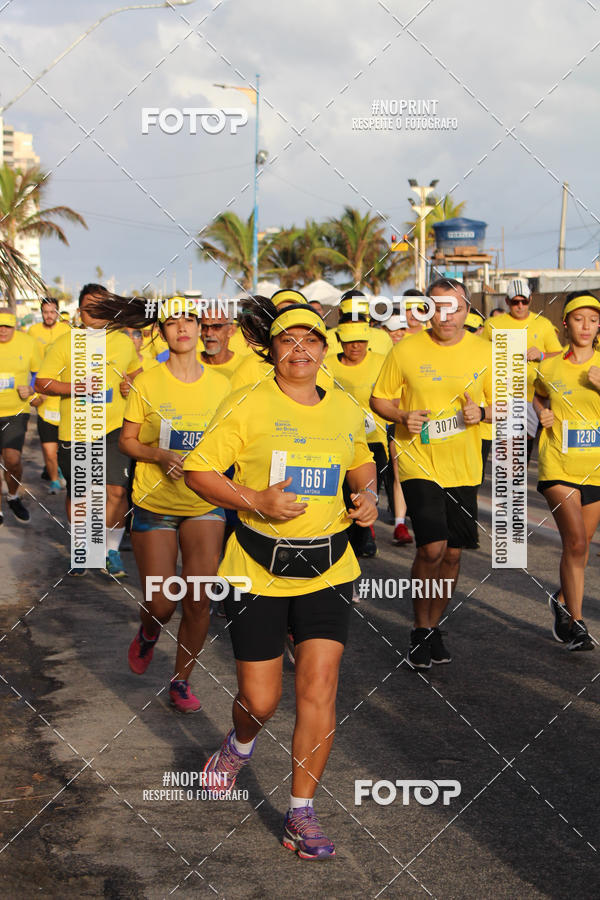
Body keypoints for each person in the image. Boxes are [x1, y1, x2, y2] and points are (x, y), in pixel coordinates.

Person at [184, 300, 377, 860]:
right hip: (256, 569)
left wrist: (366, 493)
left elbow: (360, 456)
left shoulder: (342, 402)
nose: (300, 350)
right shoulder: (245, 402)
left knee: (319, 688)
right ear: (273, 350)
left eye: (310, 340)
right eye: (288, 341)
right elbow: (200, 471)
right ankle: (239, 744)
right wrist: (256, 499)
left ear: (324, 350)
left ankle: (301, 813)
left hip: (330, 568)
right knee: (261, 699)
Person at [88, 294, 232, 707]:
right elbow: (127, 441)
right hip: (155, 501)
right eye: (173, 323)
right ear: (162, 332)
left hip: (205, 503)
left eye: (190, 320)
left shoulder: (222, 386)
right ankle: (150, 630)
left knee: (199, 599)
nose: (183, 328)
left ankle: (181, 680)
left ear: (201, 328)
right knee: (161, 602)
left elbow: (231, 444)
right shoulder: (147, 382)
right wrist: (160, 455)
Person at [371, 278, 492, 669]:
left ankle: (435, 624)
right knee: (432, 548)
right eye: (437, 307)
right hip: (418, 459)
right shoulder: (406, 350)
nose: (446, 315)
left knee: (453, 555)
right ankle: (420, 629)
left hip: (464, 464)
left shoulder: (487, 352)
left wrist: (484, 413)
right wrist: (403, 415)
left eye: (454, 307)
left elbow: (509, 404)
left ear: (467, 310)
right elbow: (379, 398)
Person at [36, 284, 140, 577]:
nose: (94, 312)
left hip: (115, 428)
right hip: (77, 430)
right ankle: (82, 547)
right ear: (80, 312)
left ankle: (109, 551)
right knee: (81, 494)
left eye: (101, 306)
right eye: (89, 307)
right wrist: (75, 388)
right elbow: (41, 382)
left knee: (116, 491)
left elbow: (136, 371)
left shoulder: (122, 341)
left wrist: (130, 380)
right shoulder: (64, 343)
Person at [533, 292, 600, 652]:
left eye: (593, 319)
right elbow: (539, 393)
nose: (586, 326)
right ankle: (577, 623)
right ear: (566, 324)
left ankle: (560, 599)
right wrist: (542, 412)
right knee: (574, 542)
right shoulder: (552, 366)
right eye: (579, 318)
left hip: (597, 470)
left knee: (582, 547)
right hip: (558, 465)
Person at [327, 320, 391, 557]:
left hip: (374, 438)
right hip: (339, 440)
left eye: (361, 342)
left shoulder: (381, 362)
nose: (355, 347)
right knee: (344, 493)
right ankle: (347, 542)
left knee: (369, 492)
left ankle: (364, 536)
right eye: (349, 342)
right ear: (340, 343)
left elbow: (392, 395)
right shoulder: (327, 366)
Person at [482, 278, 562, 465]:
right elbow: (480, 355)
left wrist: (541, 355)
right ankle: (509, 488)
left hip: (531, 396)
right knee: (508, 452)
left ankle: (517, 487)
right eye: (515, 301)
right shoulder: (493, 324)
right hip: (502, 395)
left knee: (523, 452)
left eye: (524, 301)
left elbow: (559, 355)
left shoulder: (542, 324)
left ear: (530, 300)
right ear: (507, 301)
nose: (519, 306)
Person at [0, 307, 42, 524]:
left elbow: (40, 373)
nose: (2, 330)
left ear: (14, 325)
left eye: (7, 325)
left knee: (12, 459)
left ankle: (13, 496)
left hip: (16, 411)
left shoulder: (27, 343)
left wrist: (32, 390)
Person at [28, 298, 71, 492]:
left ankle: (60, 469)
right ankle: (54, 478)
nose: (49, 316)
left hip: (64, 390)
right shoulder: (33, 332)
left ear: (58, 312)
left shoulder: (67, 331)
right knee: (49, 447)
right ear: (41, 312)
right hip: (43, 389)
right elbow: (30, 366)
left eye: (52, 312)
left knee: (64, 445)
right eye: (45, 312)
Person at [197, 304, 243, 379]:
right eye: (204, 327)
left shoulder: (244, 366)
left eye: (216, 327)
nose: (209, 333)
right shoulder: (186, 362)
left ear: (231, 330)